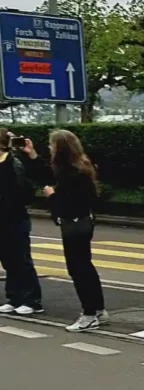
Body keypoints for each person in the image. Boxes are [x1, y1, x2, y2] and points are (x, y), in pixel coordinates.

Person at [24, 131, 107, 332]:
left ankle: (88, 315)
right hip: (82, 222)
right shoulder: (77, 166)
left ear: (60, 148)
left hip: (75, 224)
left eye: (52, 145)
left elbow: (69, 203)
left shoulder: (72, 174)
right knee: (85, 266)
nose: (49, 148)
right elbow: (47, 174)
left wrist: (52, 196)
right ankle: (98, 309)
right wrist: (32, 155)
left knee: (78, 269)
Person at [0, 130, 42, 316]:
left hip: (15, 217)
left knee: (21, 259)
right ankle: (14, 297)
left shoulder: (13, 161)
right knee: (8, 260)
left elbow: (24, 189)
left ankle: (32, 300)